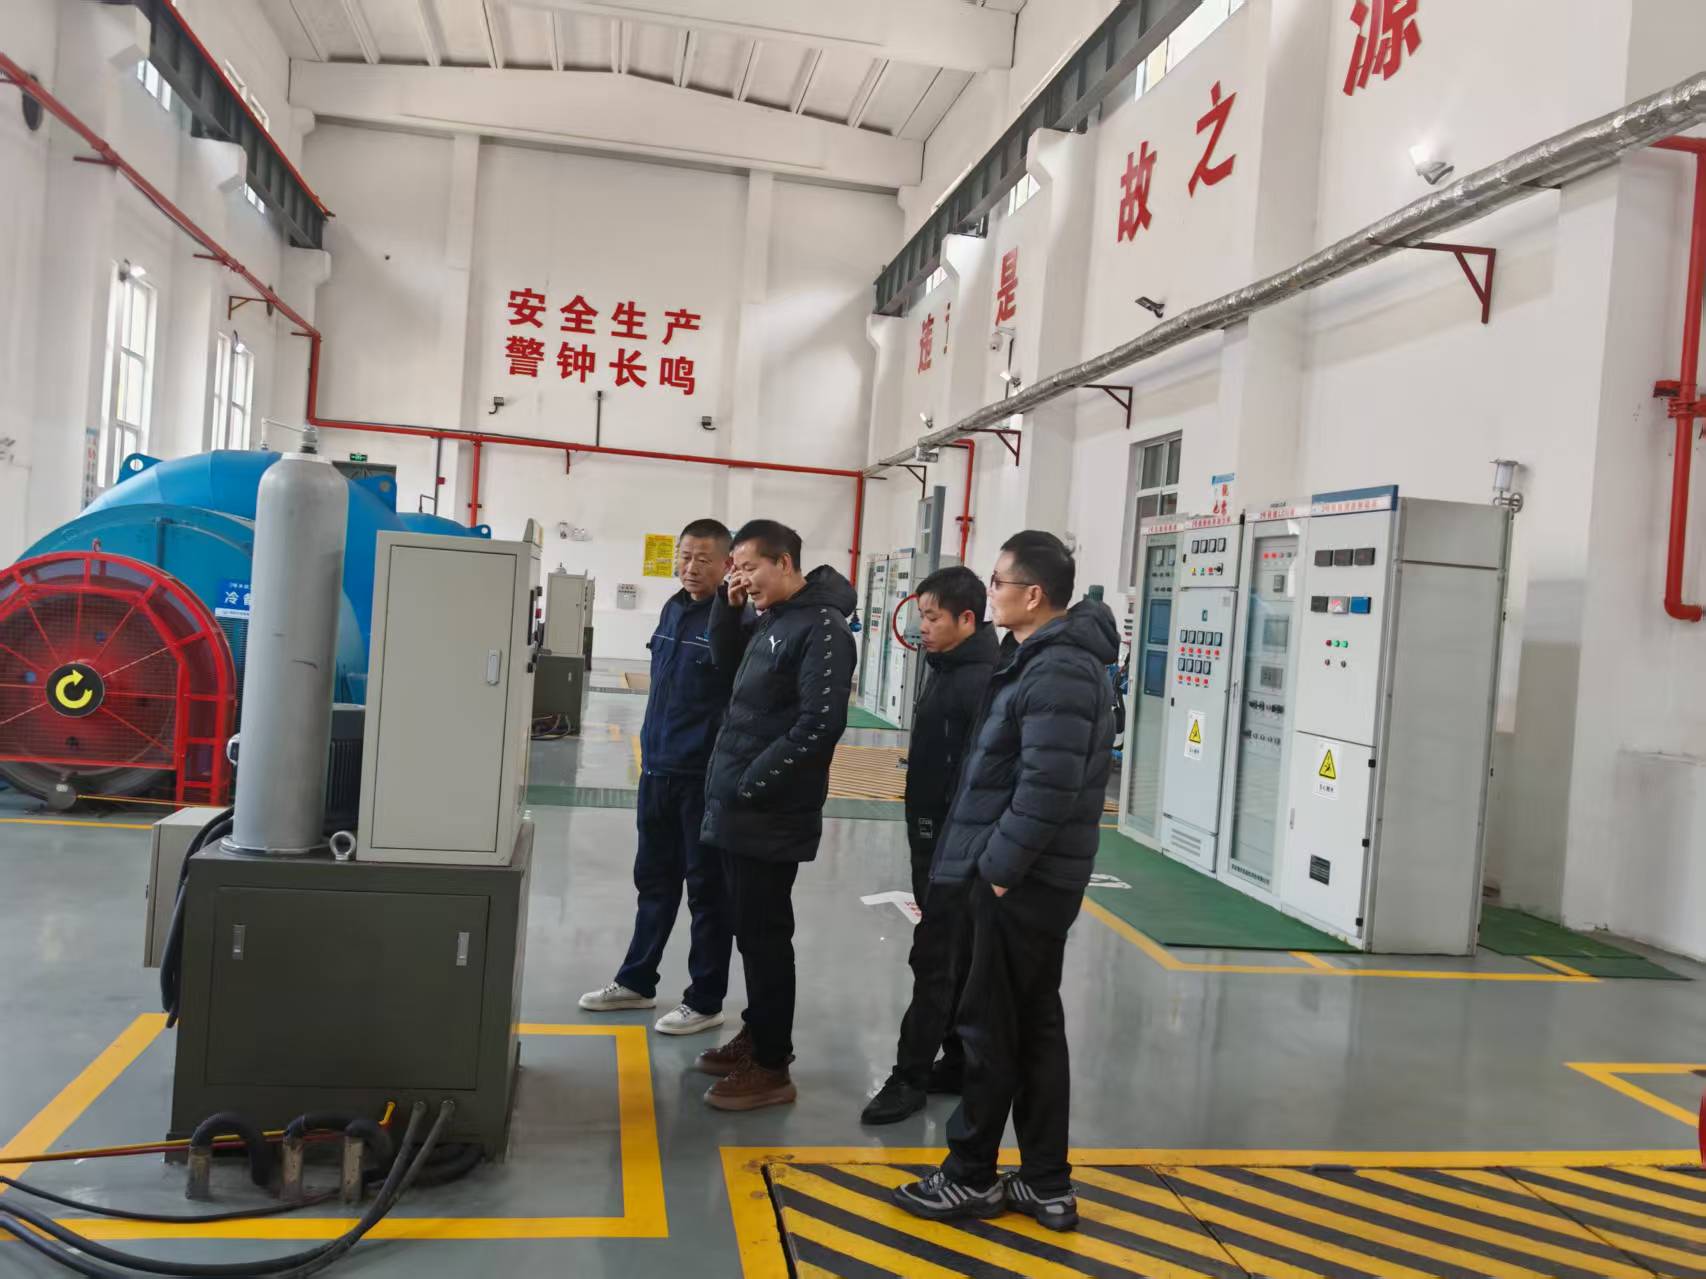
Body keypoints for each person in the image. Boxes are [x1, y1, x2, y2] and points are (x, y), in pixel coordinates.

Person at [892, 530, 1117, 1233]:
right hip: (1033, 879)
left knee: (990, 1028)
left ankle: (970, 1175)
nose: (990, 593)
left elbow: (1047, 788)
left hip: (1022, 883)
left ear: (1033, 593)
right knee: (1034, 1024)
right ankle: (1046, 1182)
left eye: (998, 582)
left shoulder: (1057, 670)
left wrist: (996, 872)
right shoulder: (1043, 659)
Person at [693, 519, 857, 1111]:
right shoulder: (775, 619)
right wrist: (728, 606)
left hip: (768, 810)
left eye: (749, 567)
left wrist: (750, 784)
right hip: (741, 807)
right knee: (748, 930)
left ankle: (771, 1065)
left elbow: (819, 725)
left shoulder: (823, 628)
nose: (742, 578)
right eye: (735, 569)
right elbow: (729, 672)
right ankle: (758, 1032)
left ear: (785, 563)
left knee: (765, 937)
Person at [579, 519, 737, 1036]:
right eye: (685, 557)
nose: (690, 567)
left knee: (706, 892)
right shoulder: (672, 608)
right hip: (657, 770)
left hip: (700, 778)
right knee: (653, 882)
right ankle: (637, 981)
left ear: (727, 564)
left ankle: (705, 999)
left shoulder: (735, 622)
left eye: (703, 559)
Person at [861, 565, 998, 1125]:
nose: (923, 628)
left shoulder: (982, 680)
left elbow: (981, 777)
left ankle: (910, 1076)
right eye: (921, 616)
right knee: (953, 957)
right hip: (932, 837)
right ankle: (959, 1061)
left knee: (936, 958)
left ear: (967, 619)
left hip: (955, 846)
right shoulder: (948, 668)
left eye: (933, 617)